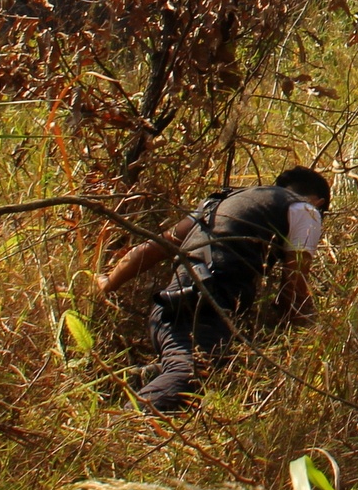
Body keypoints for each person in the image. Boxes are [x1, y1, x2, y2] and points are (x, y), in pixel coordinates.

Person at [95, 167, 331, 413]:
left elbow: (154, 247)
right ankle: (127, 420)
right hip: (203, 307)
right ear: (319, 203)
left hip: (168, 307)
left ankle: (119, 382)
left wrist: (108, 283)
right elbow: (294, 287)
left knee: (213, 366)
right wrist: (312, 337)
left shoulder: (221, 202)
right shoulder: (306, 210)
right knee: (190, 375)